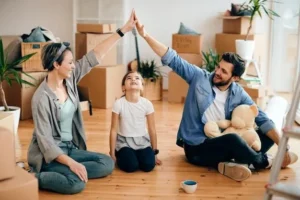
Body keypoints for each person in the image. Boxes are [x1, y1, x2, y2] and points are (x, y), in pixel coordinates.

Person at [133, 13, 298, 182]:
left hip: (222, 140)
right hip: (198, 148)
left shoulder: (238, 92)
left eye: (224, 71)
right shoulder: (199, 77)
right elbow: (171, 58)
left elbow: (263, 119)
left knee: (264, 136)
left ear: (235, 78)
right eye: (219, 67)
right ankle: (264, 162)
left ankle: (232, 164)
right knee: (233, 139)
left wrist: (283, 146)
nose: (217, 72)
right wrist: (145, 35)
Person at [27, 10, 138, 194]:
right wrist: (72, 164)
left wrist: (123, 30)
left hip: (70, 147)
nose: (73, 66)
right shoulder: (40, 98)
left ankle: (70, 171)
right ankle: (35, 176)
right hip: (50, 154)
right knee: (76, 184)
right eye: (70, 62)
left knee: (107, 163)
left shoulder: (68, 80)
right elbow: (46, 142)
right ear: (56, 65)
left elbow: (94, 56)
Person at [109, 71, 162, 173]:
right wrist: (112, 154)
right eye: (129, 78)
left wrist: (155, 153)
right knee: (131, 166)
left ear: (142, 86)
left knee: (148, 166)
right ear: (123, 87)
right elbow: (113, 130)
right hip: (124, 143)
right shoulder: (118, 104)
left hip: (142, 142)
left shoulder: (147, 104)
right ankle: (122, 154)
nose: (133, 79)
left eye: (137, 78)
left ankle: (138, 155)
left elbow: (152, 129)